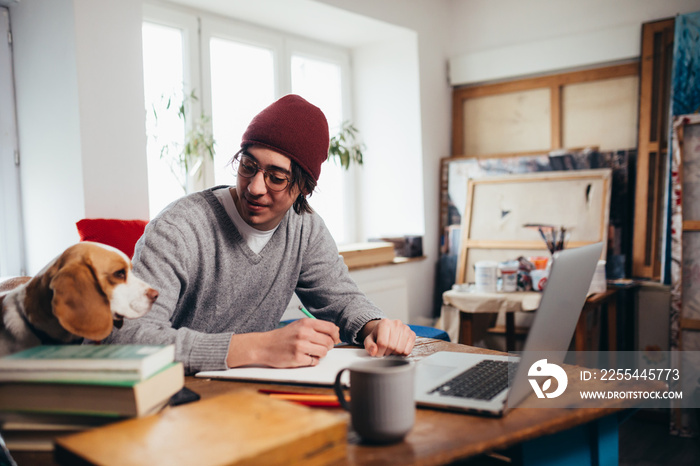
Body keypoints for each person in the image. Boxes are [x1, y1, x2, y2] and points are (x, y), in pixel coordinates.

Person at [106, 94, 415, 375]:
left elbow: (343, 300)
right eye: (247, 166)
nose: (254, 187)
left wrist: (375, 326)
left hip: (251, 394)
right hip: (174, 395)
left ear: (304, 189)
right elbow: (129, 337)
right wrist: (258, 347)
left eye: (276, 178)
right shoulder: (178, 229)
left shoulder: (304, 228)